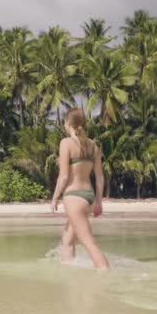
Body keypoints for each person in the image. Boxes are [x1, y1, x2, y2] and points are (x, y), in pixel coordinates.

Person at [51, 108, 109, 270]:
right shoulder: (94, 146)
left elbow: (63, 177)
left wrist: (55, 197)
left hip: (74, 197)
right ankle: (71, 279)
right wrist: (98, 202)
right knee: (67, 240)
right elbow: (99, 177)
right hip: (89, 197)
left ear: (68, 123)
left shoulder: (66, 143)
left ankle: (106, 274)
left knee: (89, 244)